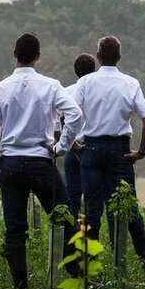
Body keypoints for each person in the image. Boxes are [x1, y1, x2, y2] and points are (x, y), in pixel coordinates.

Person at [0, 33, 82, 289]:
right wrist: (61, 147)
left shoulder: (0, 88)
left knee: (15, 228)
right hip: (40, 161)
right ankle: (75, 277)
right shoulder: (51, 86)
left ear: (15, 53)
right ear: (38, 55)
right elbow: (75, 114)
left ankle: (20, 286)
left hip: (10, 163)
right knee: (65, 217)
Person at [74, 35, 145, 268]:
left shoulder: (85, 83)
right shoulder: (130, 83)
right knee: (128, 206)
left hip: (91, 147)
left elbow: (66, 115)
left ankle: (89, 265)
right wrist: (140, 152)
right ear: (119, 57)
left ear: (98, 56)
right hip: (120, 150)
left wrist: (75, 145)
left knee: (91, 208)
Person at [61, 53, 97, 222]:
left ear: (75, 71)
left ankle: (71, 234)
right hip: (91, 147)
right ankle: (89, 235)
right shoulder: (98, 91)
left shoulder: (67, 91)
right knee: (93, 196)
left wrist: (71, 144)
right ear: (94, 70)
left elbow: (59, 122)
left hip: (72, 147)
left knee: (72, 195)